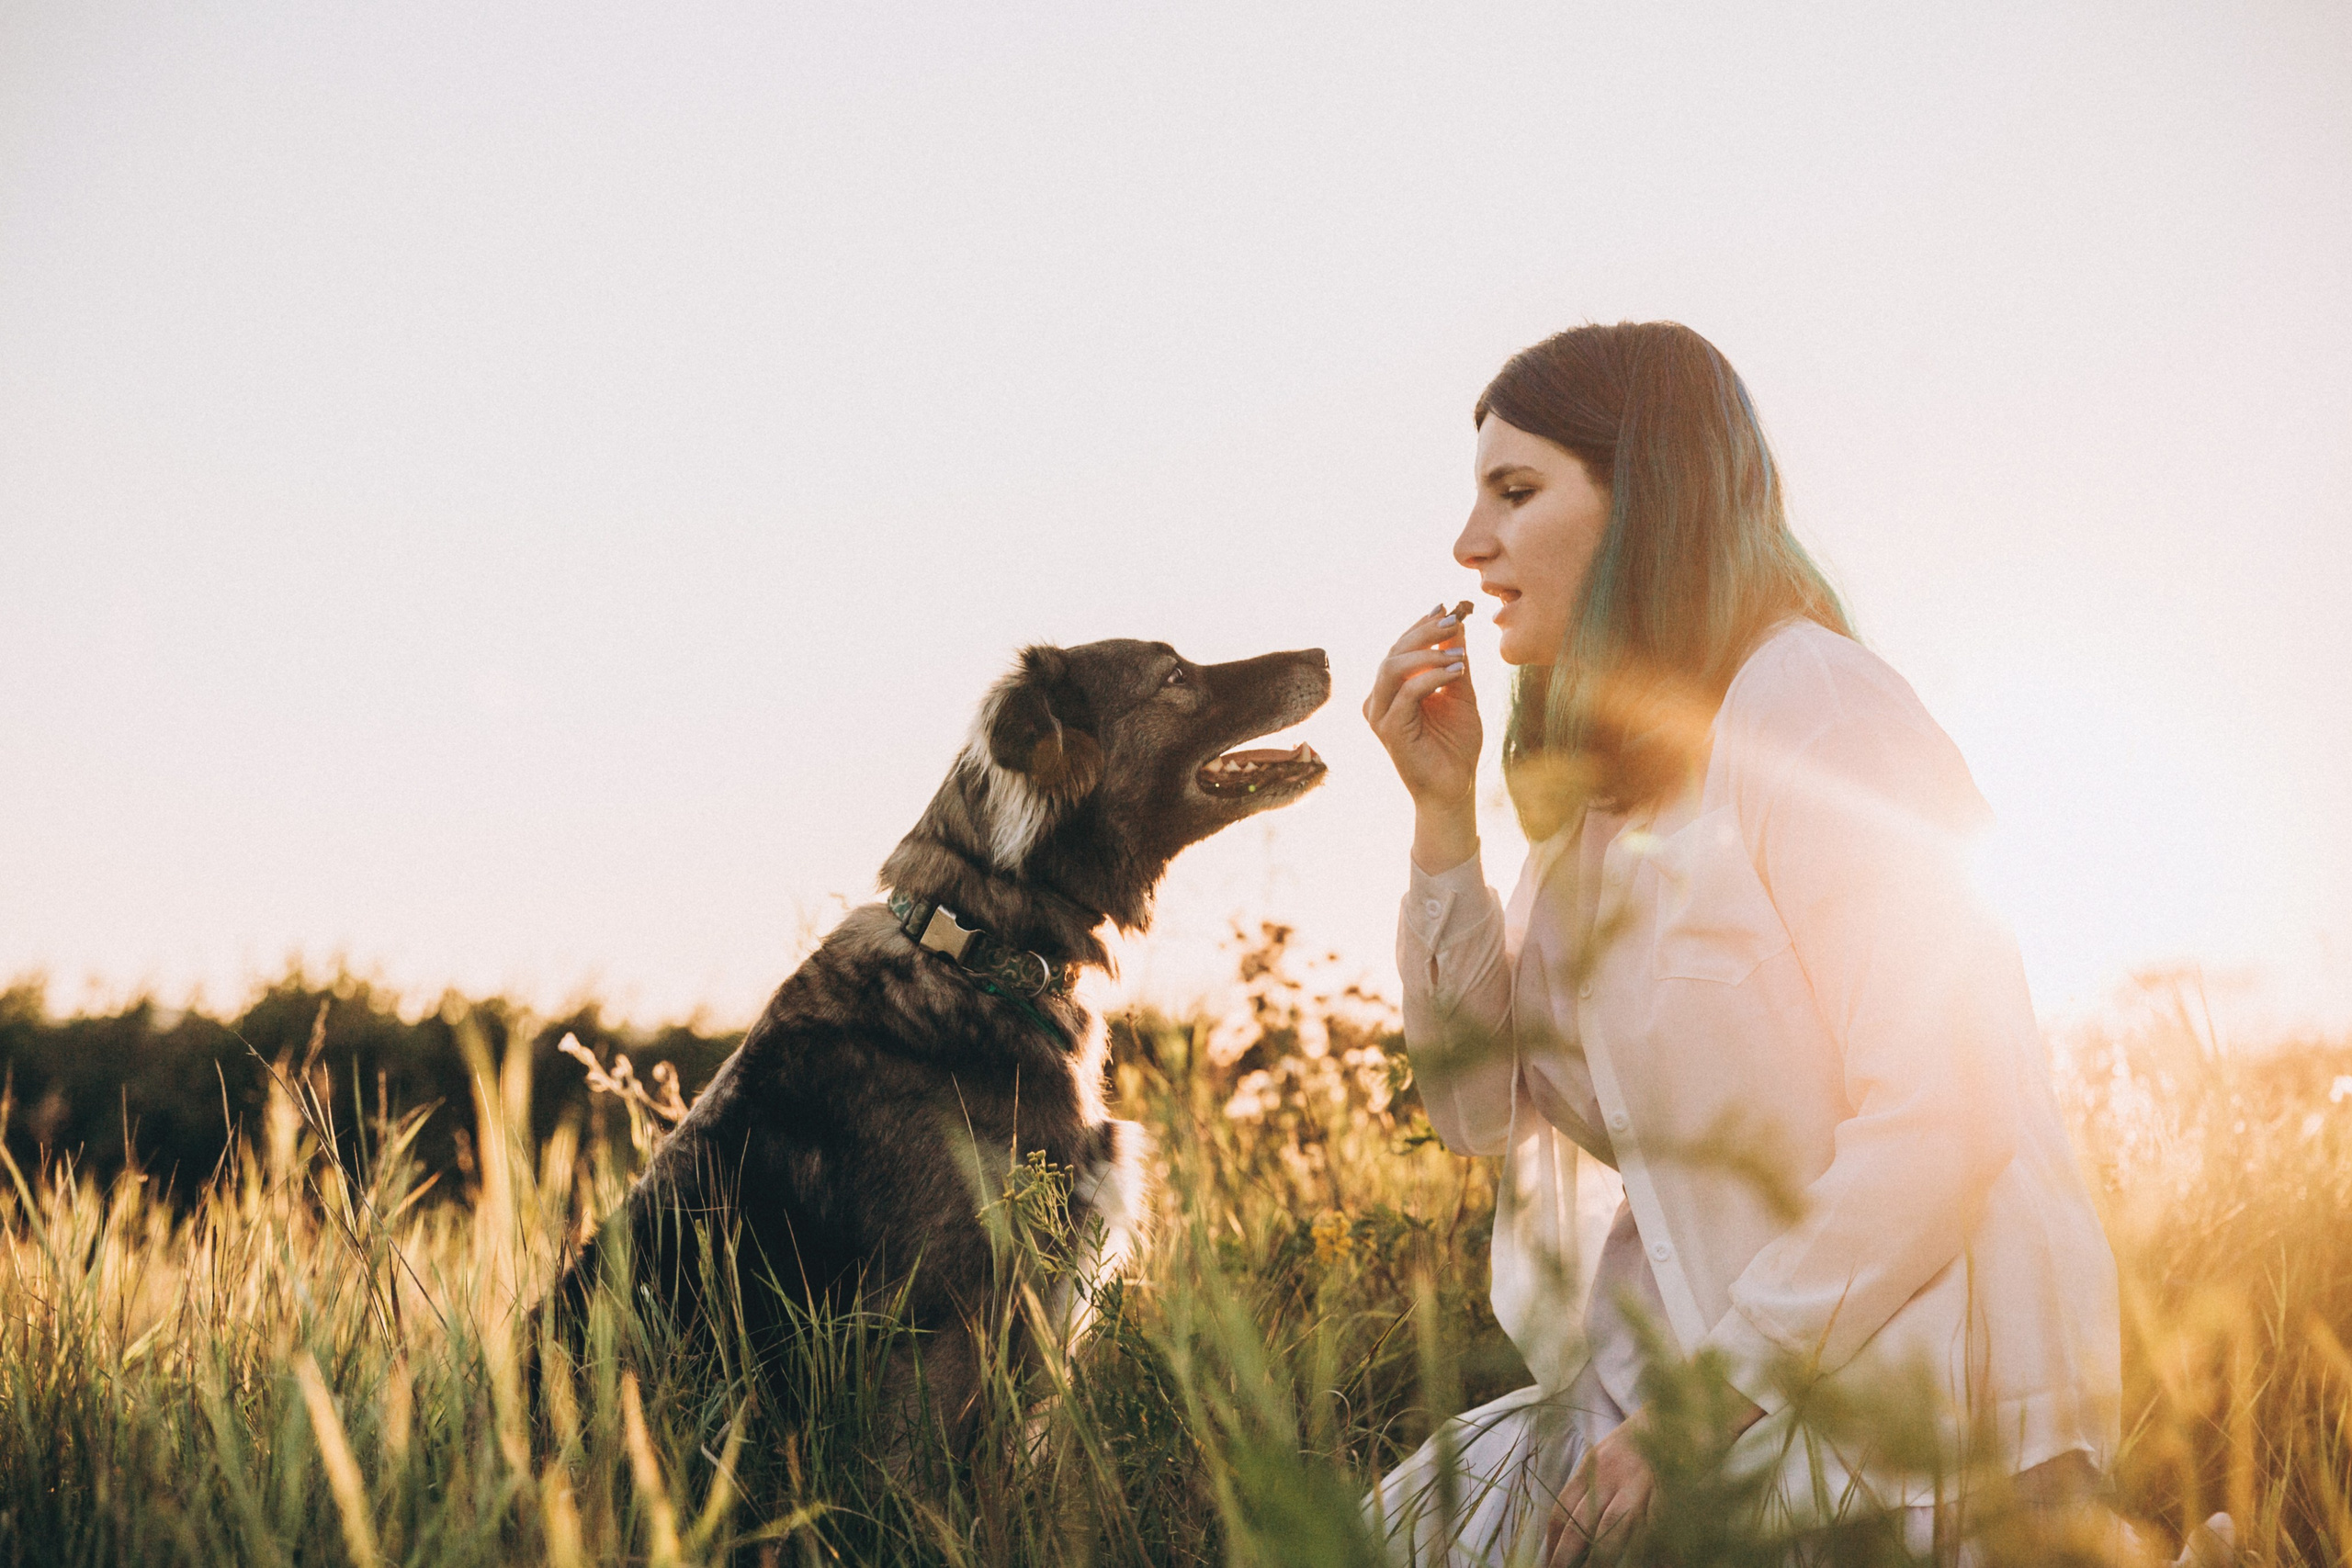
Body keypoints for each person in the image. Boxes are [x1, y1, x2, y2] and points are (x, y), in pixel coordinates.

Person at [1361, 321, 2123, 1565]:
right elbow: (1478, 1110)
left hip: (1905, 1418)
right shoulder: (1605, 809)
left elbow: (1946, 1116)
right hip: (1701, 1398)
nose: (1469, 545)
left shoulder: (1817, 709)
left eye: (1517, 492)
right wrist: (1441, 820)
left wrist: (1689, 1421)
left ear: (1646, 503)